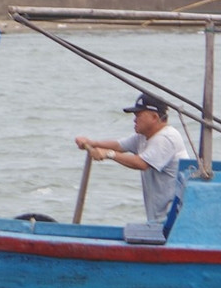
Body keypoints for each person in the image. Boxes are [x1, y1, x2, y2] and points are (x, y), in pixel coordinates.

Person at [76, 91, 186, 231]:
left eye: (139, 115)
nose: (134, 120)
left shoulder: (166, 138)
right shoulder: (144, 136)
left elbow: (141, 163)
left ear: (154, 117)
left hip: (173, 218)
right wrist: (91, 142)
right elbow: (119, 146)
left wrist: (108, 154)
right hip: (157, 218)